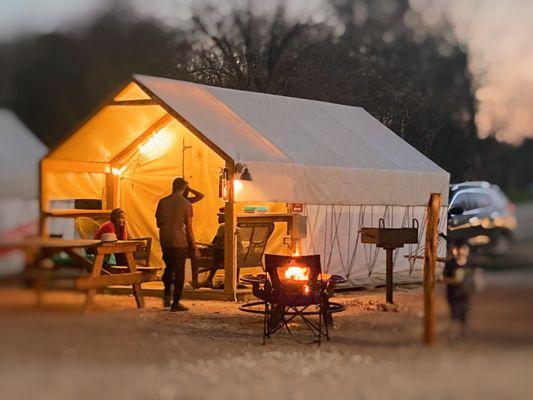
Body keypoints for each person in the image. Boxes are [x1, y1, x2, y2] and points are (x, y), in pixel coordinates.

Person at [155, 178, 197, 312]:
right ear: (184, 188)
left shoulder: (162, 202)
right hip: (180, 240)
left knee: (168, 268)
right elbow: (189, 227)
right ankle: (176, 302)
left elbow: (158, 223)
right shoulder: (186, 204)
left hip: (166, 240)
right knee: (179, 272)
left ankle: (167, 294)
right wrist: (194, 246)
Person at [442, 238, 477, 340]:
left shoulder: (470, 264)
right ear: (455, 250)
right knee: (453, 315)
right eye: (460, 248)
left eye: (464, 248)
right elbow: (443, 278)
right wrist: (454, 280)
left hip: (465, 294)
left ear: (468, 250)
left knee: (465, 315)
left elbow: (474, 279)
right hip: (453, 294)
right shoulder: (450, 264)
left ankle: (464, 336)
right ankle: (451, 336)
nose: (462, 251)